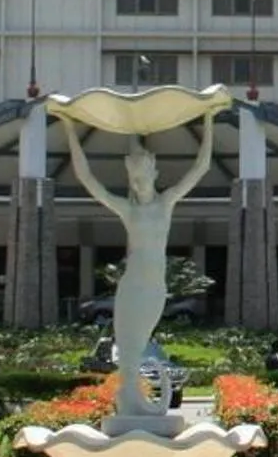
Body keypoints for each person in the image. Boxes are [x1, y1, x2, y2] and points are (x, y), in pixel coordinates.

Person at [58, 111, 216, 416]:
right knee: (128, 355)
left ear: (155, 176)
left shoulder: (166, 203)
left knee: (139, 347)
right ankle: (131, 403)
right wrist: (70, 129)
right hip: (130, 289)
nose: (139, 183)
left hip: (154, 290)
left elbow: (201, 167)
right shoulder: (127, 210)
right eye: (134, 179)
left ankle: (140, 404)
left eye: (144, 178)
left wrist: (209, 120)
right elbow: (87, 179)